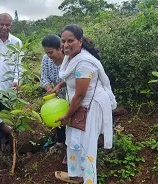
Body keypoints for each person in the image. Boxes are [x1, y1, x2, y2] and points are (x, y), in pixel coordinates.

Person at [54, 24, 117, 184]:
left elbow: (80, 94)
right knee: (74, 140)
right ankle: (76, 175)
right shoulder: (72, 57)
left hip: (90, 107)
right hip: (79, 105)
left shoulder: (84, 63)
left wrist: (67, 115)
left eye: (71, 41)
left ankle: (89, 180)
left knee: (86, 145)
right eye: (63, 41)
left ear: (80, 42)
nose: (66, 45)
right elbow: (73, 80)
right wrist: (60, 85)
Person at [40, 34, 67, 164]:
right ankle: (60, 142)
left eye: (51, 52)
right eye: (46, 52)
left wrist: (60, 87)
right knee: (57, 118)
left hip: (71, 95)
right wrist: (49, 88)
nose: (49, 55)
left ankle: (70, 149)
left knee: (71, 120)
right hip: (56, 97)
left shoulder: (69, 58)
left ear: (60, 48)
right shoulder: (46, 59)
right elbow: (44, 78)